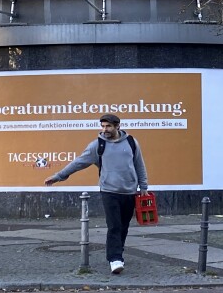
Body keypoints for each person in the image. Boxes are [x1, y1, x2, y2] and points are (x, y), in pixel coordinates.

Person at [44, 113, 149, 275]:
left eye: (108, 126)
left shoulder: (131, 143)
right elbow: (78, 162)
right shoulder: (97, 145)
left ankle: (118, 252)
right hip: (109, 191)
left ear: (117, 126)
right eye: (103, 126)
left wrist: (143, 186)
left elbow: (139, 165)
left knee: (124, 226)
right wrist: (58, 176)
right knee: (114, 226)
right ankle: (114, 259)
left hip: (130, 192)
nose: (104, 129)